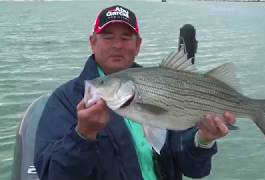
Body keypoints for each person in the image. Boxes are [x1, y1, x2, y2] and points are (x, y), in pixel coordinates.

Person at [34, 5, 236, 180]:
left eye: (126, 37)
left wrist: (203, 140)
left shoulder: (167, 87)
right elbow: (52, 174)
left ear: (137, 45)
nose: (117, 45)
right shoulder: (65, 99)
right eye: (107, 36)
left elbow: (194, 170)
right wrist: (83, 135)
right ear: (92, 42)